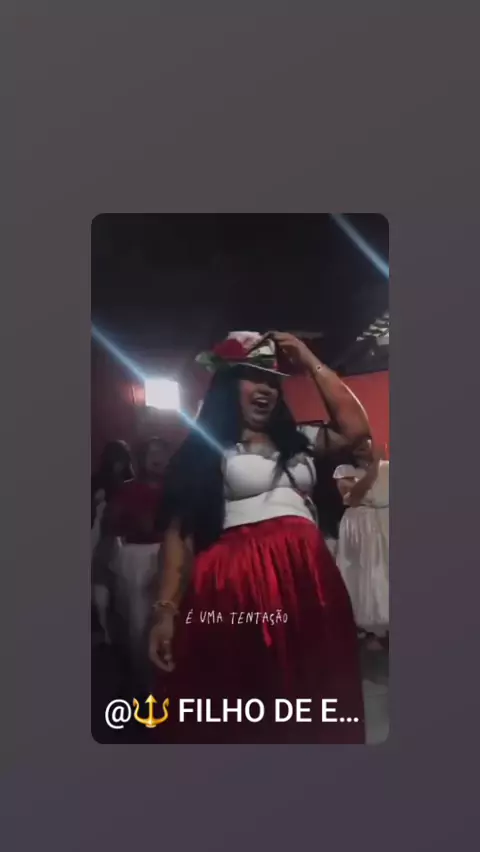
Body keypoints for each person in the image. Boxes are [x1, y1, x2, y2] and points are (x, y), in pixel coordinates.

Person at [148, 331, 371, 744]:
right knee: (249, 699)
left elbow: (356, 431)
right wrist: (166, 610)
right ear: (228, 384)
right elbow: (179, 536)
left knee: (314, 691)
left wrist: (308, 360)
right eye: (253, 377)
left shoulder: (300, 439)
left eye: (272, 380)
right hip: (238, 585)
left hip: (307, 577)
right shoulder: (206, 449)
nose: (265, 388)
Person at [104, 437, 169, 683]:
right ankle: (144, 680)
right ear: (142, 458)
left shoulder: (175, 487)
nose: (157, 458)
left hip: (169, 553)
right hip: (137, 559)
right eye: (152, 453)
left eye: (161, 453)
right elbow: (110, 524)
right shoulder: (128, 490)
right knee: (139, 621)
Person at [333, 440, 389, 650]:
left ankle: (386, 625)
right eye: (358, 444)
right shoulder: (344, 470)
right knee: (363, 572)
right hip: (359, 524)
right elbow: (354, 497)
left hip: (384, 520)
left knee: (384, 570)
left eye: (367, 442)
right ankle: (367, 627)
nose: (365, 446)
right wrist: (374, 467)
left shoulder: (388, 467)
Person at [91, 440, 134, 644]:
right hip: (111, 538)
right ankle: (107, 629)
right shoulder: (125, 483)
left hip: (110, 538)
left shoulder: (104, 482)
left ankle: (107, 629)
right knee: (109, 583)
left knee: (106, 583)